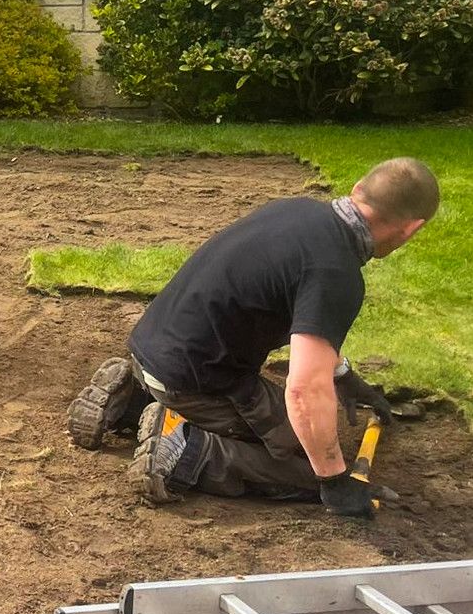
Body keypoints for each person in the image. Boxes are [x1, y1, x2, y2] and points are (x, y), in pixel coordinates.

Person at [67, 158, 440, 519]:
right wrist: (334, 481)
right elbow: (304, 391)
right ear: (412, 229)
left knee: (313, 435)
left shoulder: (298, 211)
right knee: (305, 456)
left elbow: (303, 316)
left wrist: (342, 376)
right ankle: (189, 452)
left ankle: (134, 401)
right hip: (195, 380)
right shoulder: (336, 271)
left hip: (153, 348)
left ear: (358, 189)